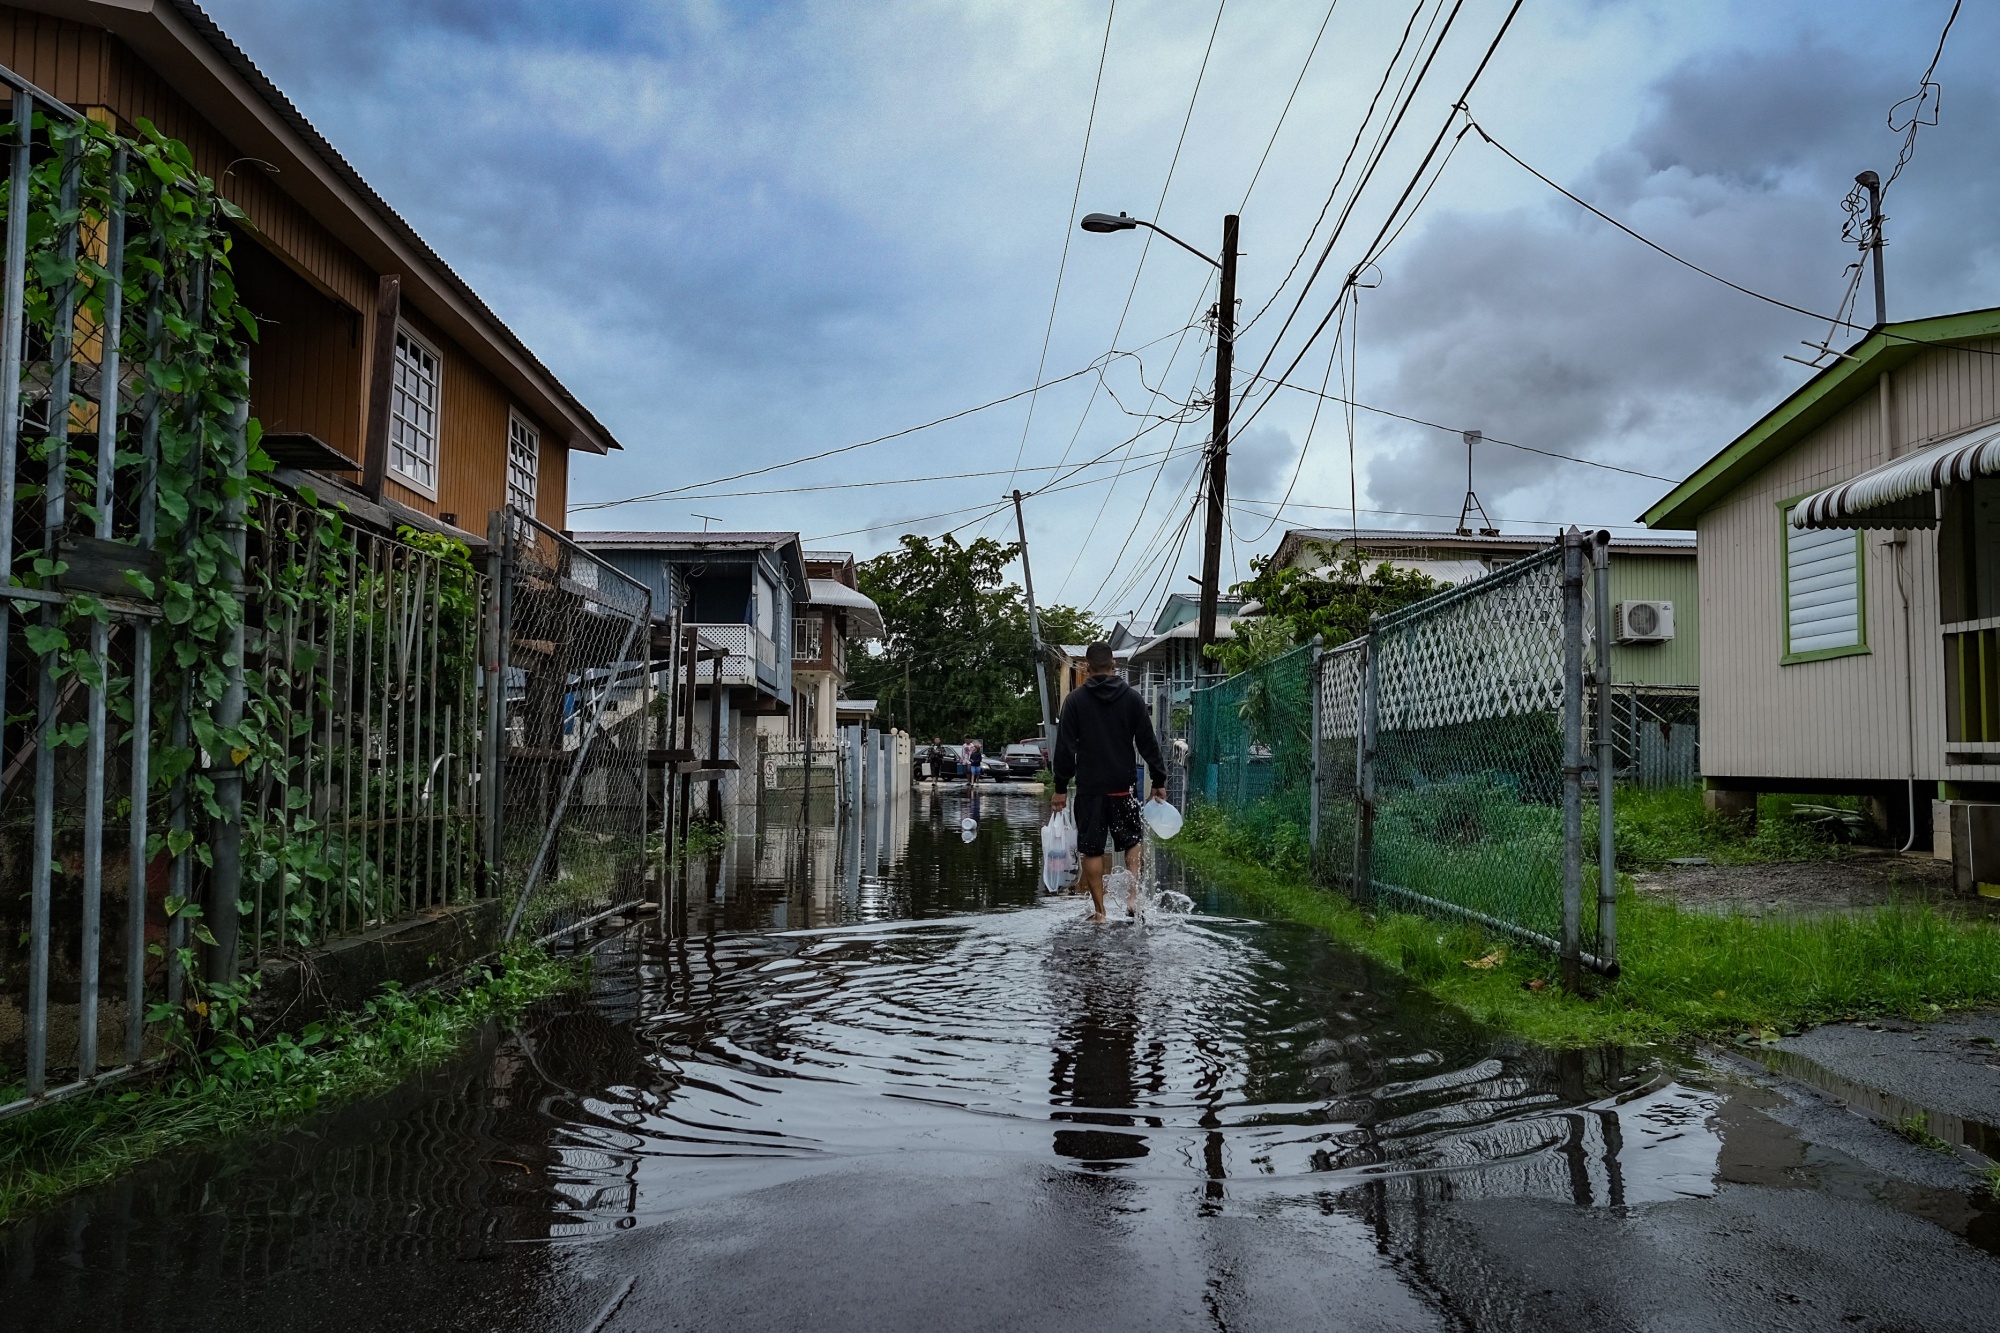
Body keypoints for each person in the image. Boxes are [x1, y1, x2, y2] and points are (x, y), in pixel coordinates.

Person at [1050, 642, 1169, 922]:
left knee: (1091, 847)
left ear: (1087, 668)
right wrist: (1158, 778)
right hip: (1122, 784)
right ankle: (1132, 898)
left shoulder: (1075, 701)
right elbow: (1147, 742)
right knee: (1132, 839)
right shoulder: (1131, 698)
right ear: (1114, 666)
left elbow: (1066, 747)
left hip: (1090, 787)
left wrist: (1059, 788)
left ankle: (1100, 912)